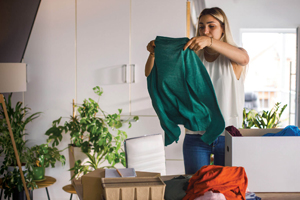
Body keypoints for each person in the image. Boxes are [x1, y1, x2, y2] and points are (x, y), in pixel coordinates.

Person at [145, 7, 249, 174]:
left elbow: (244, 58)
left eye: (211, 26)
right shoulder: (191, 57)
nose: (205, 31)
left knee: (227, 191)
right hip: (196, 135)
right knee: (196, 189)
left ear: (223, 28)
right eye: (201, 26)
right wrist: (154, 53)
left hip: (228, 136)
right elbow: (150, 74)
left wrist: (210, 42)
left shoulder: (234, 58)